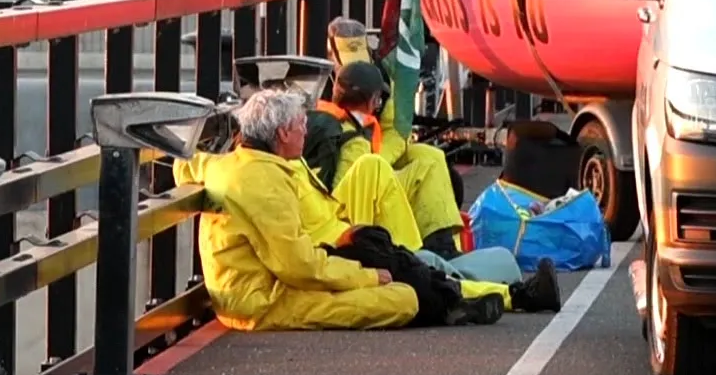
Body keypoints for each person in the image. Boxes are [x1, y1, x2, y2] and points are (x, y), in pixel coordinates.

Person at [174, 89, 506, 331]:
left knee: (387, 264)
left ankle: (455, 302)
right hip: (262, 301)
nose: (307, 131)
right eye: (301, 125)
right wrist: (364, 277)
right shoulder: (264, 182)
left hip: (255, 287)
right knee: (401, 297)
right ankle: (458, 304)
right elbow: (299, 267)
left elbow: (184, 166)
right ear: (282, 134)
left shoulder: (231, 165)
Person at [308, 61, 557, 309]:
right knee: (383, 171)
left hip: (343, 231)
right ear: (372, 99)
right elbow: (353, 185)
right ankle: (514, 294)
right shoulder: (356, 142)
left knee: (427, 159)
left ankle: (455, 261)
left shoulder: (325, 126)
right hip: (353, 233)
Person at [320, 21, 466, 257]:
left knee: (431, 156)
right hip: (346, 185)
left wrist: (380, 160)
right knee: (385, 168)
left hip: (376, 159)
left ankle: (442, 246)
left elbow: (396, 129)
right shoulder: (317, 88)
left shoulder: (382, 76)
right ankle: (410, 256)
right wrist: (373, 165)